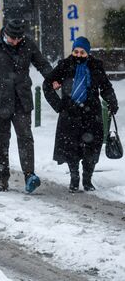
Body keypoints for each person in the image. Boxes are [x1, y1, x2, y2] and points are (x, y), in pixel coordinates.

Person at [0, 19, 52, 192]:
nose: (15, 42)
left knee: (25, 138)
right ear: (4, 33)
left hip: (21, 99)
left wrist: (53, 79)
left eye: (19, 38)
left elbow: (41, 63)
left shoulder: (27, 43)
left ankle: (29, 175)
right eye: (12, 39)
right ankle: (3, 178)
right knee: (2, 141)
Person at [43, 37, 118, 192]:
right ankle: (74, 177)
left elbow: (105, 87)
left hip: (92, 114)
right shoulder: (64, 65)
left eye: (82, 52)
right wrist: (58, 105)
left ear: (88, 53)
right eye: (76, 51)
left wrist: (112, 101)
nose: (78, 55)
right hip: (70, 113)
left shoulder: (96, 66)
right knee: (72, 147)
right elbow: (47, 85)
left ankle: (87, 179)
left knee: (92, 147)